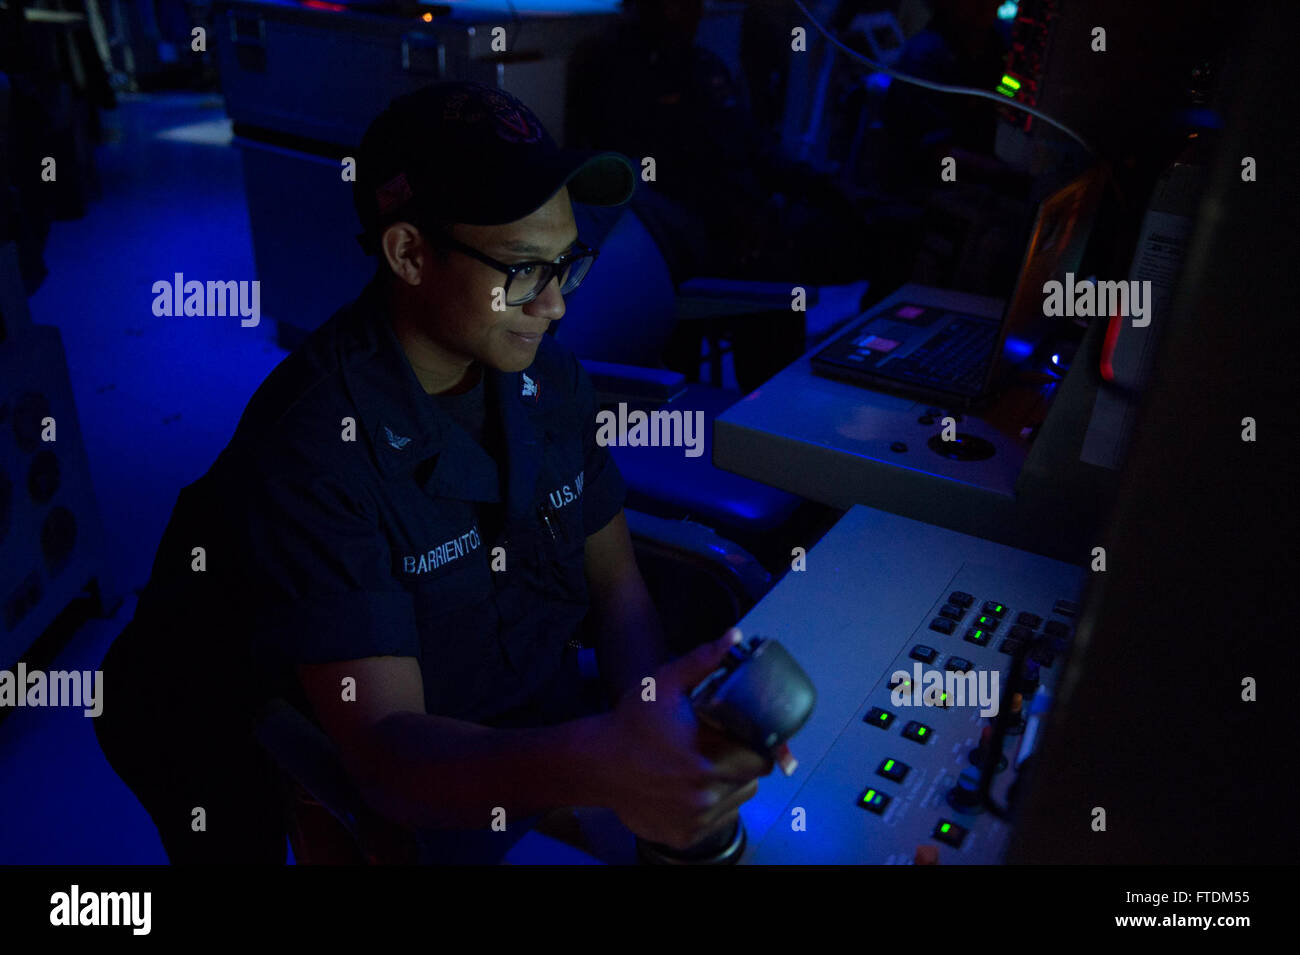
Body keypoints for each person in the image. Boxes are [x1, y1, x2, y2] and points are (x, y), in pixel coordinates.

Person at [95, 81, 778, 864]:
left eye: (567, 263)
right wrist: (599, 764)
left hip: (486, 727)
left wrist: (651, 722)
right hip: (199, 706)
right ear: (410, 253)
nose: (555, 305)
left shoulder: (548, 379)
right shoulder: (316, 451)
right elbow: (385, 753)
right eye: (523, 270)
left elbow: (616, 586)